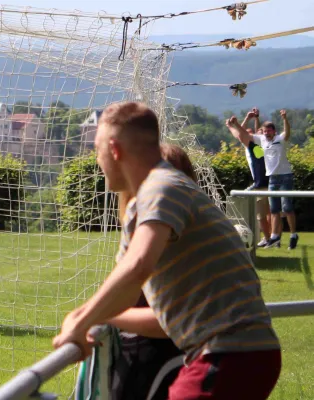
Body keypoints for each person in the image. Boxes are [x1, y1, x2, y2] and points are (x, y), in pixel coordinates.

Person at [53, 102, 281, 400]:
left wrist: (78, 323)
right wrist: (83, 316)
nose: (97, 161)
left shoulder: (161, 187)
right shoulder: (146, 202)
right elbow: (128, 291)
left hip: (230, 352)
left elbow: (138, 266)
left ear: (114, 149)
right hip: (229, 353)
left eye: (97, 151)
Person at [77, 144, 194, 400]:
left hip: (161, 363)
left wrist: (103, 317)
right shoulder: (152, 236)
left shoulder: (166, 246)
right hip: (147, 359)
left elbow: (171, 323)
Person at [226, 111, 298, 250]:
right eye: (263, 132)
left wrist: (285, 119)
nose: (265, 134)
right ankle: (273, 238)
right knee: (274, 210)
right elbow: (245, 134)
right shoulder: (260, 142)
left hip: (277, 179)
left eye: (268, 131)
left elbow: (286, 132)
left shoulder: (272, 141)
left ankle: (286, 236)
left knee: (282, 210)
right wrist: (237, 124)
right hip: (271, 179)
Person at [235, 108, 272, 248]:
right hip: (261, 180)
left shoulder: (256, 145)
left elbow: (254, 133)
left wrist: (253, 119)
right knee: (267, 212)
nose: (250, 135)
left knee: (263, 214)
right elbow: (241, 133)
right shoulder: (249, 145)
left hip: (261, 181)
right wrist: (251, 118)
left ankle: (270, 238)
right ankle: (270, 237)